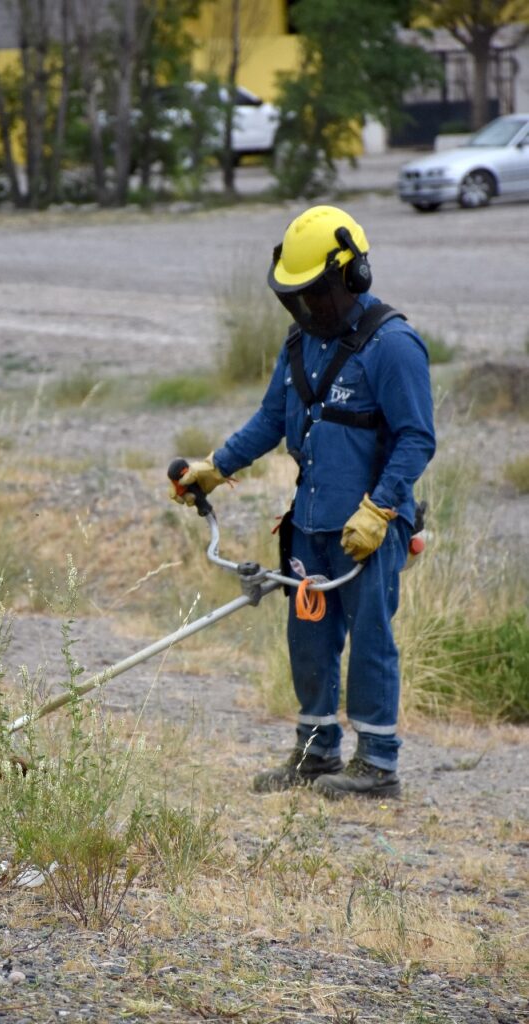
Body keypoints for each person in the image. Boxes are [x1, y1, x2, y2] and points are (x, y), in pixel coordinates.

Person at [169, 205, 435, 799]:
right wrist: (216, 468)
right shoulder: (300, 344)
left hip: (368, 529)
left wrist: (382, 508)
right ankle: (316, 755)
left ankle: (377, 765)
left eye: (316, 294)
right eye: (297, 297)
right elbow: (271, 419)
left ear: (353, 277)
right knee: (309, 638)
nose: (308, 308)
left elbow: (417, 438)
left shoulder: (393, 346)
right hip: (310, 526)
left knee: (370, 639)